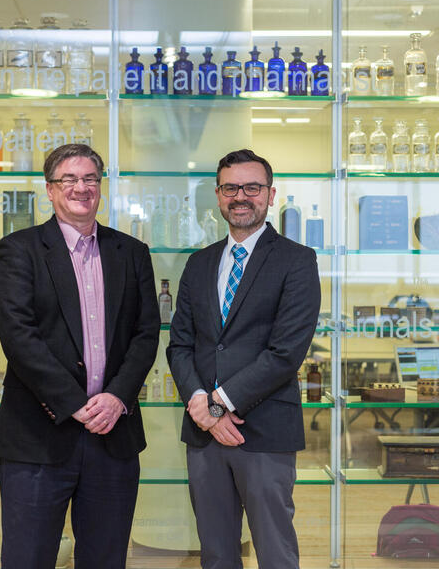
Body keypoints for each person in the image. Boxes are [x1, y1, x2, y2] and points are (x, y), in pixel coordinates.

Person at [0, 143, 160, 569]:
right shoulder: (19, 250)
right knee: (27, 559)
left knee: (105, 559)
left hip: (113, 435)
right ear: (49, 189)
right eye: (68, 179)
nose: (80, 188)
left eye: (89, 179)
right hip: (38, 436)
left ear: (100, 187)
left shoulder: (132, 253)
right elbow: (19, 336)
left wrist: (117, 397)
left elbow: (145, 334)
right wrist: (76, 404)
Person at [167, 149, 321, 569]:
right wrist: (201, 403)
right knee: (215, 553)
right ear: (219, 196)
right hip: (203, 434)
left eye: (252, 187)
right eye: (231, 187)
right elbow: (180, 344)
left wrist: (218, 405)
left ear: (270, 195)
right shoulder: (198, 264)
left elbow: (285, 353)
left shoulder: (297, 260)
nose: (241, 196)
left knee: (275, 552)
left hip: (265, 429)